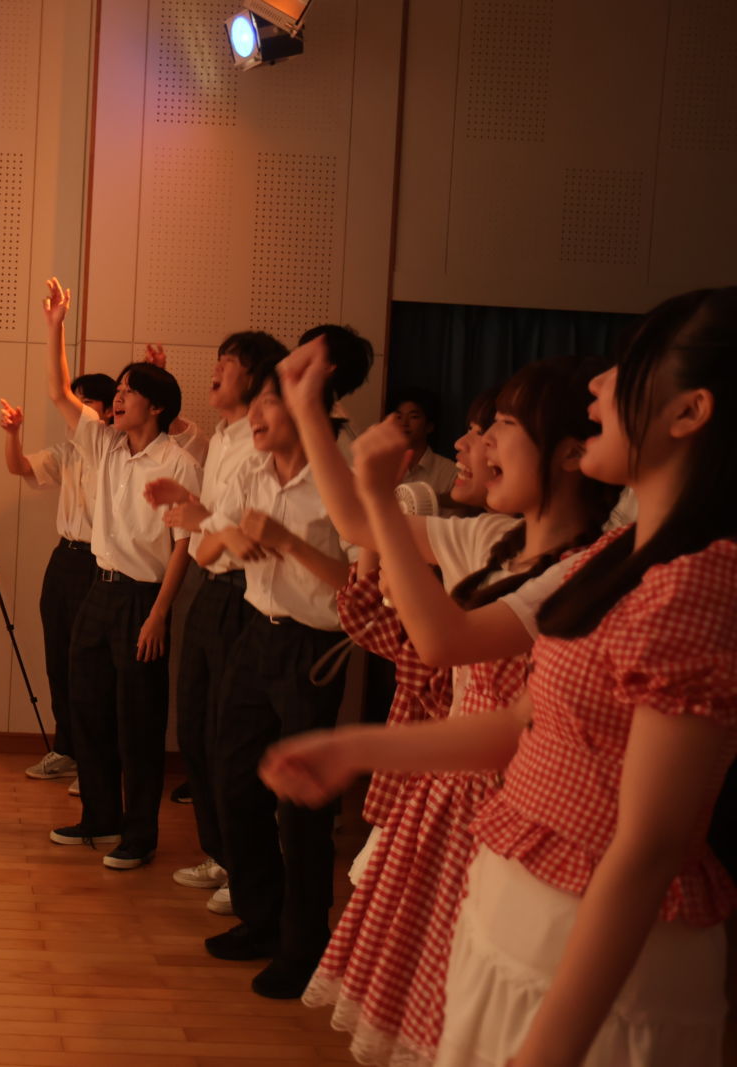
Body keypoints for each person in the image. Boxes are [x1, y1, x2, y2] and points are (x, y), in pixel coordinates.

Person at [262, 287, 737, 1065]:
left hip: (585, 956)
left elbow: (651, 846)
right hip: (518, 912)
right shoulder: (618, 558)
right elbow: (526, 723)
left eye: (626, 368)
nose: (599, 385)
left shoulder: (696, 581)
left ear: (690, 412)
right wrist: (353, 747)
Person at [285, 354, 613, 1061]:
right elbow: (355, 520)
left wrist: (379, 492)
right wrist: (308, 410)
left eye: (501, 425)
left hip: (508, 803)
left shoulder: (583, 573)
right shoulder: (495, 539)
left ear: (570, 452)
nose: (478, 443)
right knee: (430, 998)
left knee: (472, 1009)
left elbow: (441, 643)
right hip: (446, 789)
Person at [159, 351, 360, 1000]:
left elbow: (361, 583)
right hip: (254, 632)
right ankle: (260, 916)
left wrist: (287, 541)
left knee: (301, 805)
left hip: (311, 649)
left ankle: (304, 946)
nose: (257, 415)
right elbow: (209, 547)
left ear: (310, 411)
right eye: (260, 402)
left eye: (271, 401)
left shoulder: (338, 480)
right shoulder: (252, 470)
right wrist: (228, 539)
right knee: (232, 780)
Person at [39, 277, 199, 870]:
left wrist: (159, 615)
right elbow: (59, 391)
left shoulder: (178, 462)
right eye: (120, 390)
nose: (119, 397)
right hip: (97, 592)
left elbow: (183, 547)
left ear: (156, 407)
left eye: (130, 391)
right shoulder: (105, 446)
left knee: (139, 723)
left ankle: (140, 835)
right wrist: (56, 326)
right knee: (88, 708)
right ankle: (99, 816)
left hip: (142, 600)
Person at [143, 330, 288, 918]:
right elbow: (208, 535)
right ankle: (221, 854)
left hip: (244, 595)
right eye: (219, 358)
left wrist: (201, 519)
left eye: (229, 362)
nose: (218, 369)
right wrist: (194, 513)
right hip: (212, 590)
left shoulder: (262, 442)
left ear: (257, 378)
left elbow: (234, 534)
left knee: (232, 740)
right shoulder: (224, 438)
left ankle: (246, 866)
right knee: (197, 732)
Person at [0, 373, 116, 789]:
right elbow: (19, 467)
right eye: (74, 400)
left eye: (85, 402)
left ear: (108, 411)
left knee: (92, 668)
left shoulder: (115, 450)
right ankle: (67, 748)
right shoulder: (68, 451)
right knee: (59, 660)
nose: (75, 410)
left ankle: (96, 764)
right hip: (63, 559)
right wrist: (13, 434)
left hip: (98, 563)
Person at [390, 386, 459, 500]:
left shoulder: (449, 472)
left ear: (429, 426)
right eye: (399, 417)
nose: (404, 423)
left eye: (413, 417)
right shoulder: (383, 465)